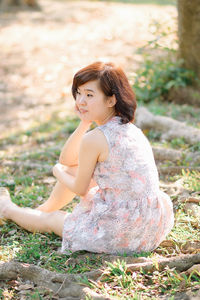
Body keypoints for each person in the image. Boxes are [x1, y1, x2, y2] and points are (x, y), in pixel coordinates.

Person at [0, 62, 174, 255]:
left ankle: (8, 209)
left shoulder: (96, 139)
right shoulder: (130, 129)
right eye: (79, 93)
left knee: (53, 219)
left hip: (121, 233)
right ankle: (41, 211)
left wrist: (56, 171)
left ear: (111, 100)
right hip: (150, 225)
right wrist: (84, 122)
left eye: (89, 95)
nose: (80, 101)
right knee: (71, 171)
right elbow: (68, 160)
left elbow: (78, 187)